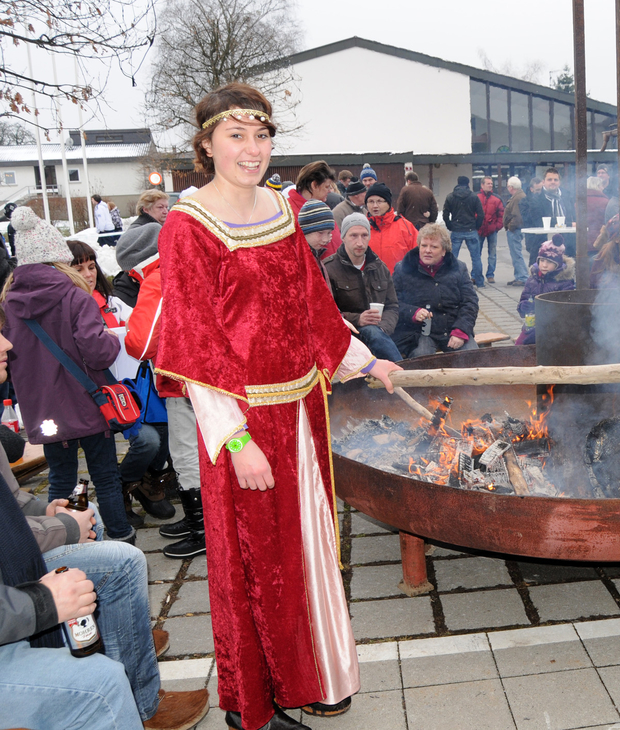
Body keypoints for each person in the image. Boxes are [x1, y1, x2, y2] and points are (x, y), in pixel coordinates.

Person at [155, 82, 400, 730]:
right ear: (207, 144)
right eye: (235, 135)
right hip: (244, 425)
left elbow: (312, 305)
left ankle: (310, 673)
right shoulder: (188, 226)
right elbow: (196, 343)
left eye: (261, 135)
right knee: (256, 565)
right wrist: (235, 441)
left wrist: (366, 362)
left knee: (308, 550)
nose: (252, 148)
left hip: (301, 412)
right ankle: (253, 707)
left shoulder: (283, 209)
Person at [0, 311, 210, 730]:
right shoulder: (71, 298)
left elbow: (11, 503)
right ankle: (119, 672)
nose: (8, 343)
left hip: (51, 416)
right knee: (101, 682)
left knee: (114, 548)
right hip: (82, 406)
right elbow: (108, 348)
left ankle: (132, 664)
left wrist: (47, 512)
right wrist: (43, 600)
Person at [2, 207, 135, 544]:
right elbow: (98, 352)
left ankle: (66, 539)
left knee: (62, 479)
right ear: (57, 258)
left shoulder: (8, 303)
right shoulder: (75, 296)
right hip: (88, 402)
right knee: (105, 476)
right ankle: (121, 538)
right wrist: (110, 338)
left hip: (45, 411)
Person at [70, 236, 175, 528]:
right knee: (147, 440)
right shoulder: (67, 310)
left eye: (92, 267)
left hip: (129, 391)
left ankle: (142, 482)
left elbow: (141, 331)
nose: (88, 274)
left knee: (166, 429)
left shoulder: (113, 302)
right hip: (93, 397)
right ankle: (120, 488)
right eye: (79, 269)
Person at [120, 223, 206, 560]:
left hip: (182, 381)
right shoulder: (188, 263)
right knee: (207, 449)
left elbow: (141, 344)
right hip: (206, 378)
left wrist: (127, 331)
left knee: (186, 454)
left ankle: (202, 529)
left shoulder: (157, 278)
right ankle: (202, 519)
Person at [323, 213, 403, 362]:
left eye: (364, 235)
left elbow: (392, 306)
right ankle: (402, 371)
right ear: (343, 237)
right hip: (347, 335)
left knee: (375, 333)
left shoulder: (380, 267)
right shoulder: (329, 269)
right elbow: (326, 313)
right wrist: (358, 319)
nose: (360, 242)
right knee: (371, 332)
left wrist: (383, 328)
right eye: (353, 236)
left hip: (380, 335)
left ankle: (400, 371)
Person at [392, 223, 479, 358]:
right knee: (421, 358)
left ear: (444, 251)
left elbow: (470, 302)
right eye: (424, 245)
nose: (427, 250)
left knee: (473, 358)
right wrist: (412, 312)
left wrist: (461, 330)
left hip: (453, 327)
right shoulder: (403, 269)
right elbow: (393, 303)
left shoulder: (459, 268)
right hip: (419, 332)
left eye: (434, 247)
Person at [515, 239, 575, 345]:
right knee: (519, 347)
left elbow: (563, 313)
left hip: (554, 330)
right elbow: (524, 300)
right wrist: (523, 306)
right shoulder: (532, 279)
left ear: (558, 264)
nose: (544, 265)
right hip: (531, 325)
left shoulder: (565, 283)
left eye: (549, 262)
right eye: (542, 260)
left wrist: (542, 330)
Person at [287, 160, 343, 257]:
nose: (330, 191)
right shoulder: (288, 212)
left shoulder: (324, 208)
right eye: (327, 186)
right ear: (314, 185)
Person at [522, 167, 576, 264]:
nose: (553, 182)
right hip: (541, 245)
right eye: (549, 179)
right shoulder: (536, 198)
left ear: (559, 182)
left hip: (566, 244)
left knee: (566, 272)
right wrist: (568, 224)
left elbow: (573, 214)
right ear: (543, 182)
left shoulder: (567, 195)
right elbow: (540, 221)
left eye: (555, 180)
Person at [364, 182, 418, 273]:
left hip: (398, 279)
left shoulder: (405, 226)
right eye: (371, 201)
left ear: (388, 203)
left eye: (379, 201)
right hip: (369, 280)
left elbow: (418, 254)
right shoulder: (361, 227)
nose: (375, 206)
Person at [442, 175, 485, 287]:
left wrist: (450, 225)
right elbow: (481, 214)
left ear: (458, 183)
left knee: (452, 257)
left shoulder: (451, 196)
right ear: (468, 184)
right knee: (476, 258)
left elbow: (445, 214)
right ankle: (479, 282)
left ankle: (451, 281)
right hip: (471, 229)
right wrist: (476, 226)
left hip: (456, 230)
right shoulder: (474, 197)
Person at [476, 176, 505, 284]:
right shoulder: (476, 197)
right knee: (476, 254)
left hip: (492, 230)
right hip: (479, 230)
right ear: (482, 185)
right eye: (488, 183)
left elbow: (501, 214)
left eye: (491, 184)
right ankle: (475, 275)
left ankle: (490, 275)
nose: (490, 185)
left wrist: (497, 227)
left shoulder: (497, 199)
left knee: (492, 254)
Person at [297, 198, 335, 276]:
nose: (326, 239)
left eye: (329, 233)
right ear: (305, 231)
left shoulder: (315, 254)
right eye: (320, 233)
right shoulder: (297, 261)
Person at [502, 176, 529, 285]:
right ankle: (519, 276)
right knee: (515, 254)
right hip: (516, 229)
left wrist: (510, 226)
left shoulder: (517, 198)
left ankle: (522, 277)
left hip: (515, 230)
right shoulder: (519, 196)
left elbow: (517, 216)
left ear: (511, 187)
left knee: (516, 254)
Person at [584, 176, 608, 256]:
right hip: (600, 241)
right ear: (597, 186)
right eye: (601, 185)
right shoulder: (606, 202)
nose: (603, 188)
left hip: (582, 241)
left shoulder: (580, 201)